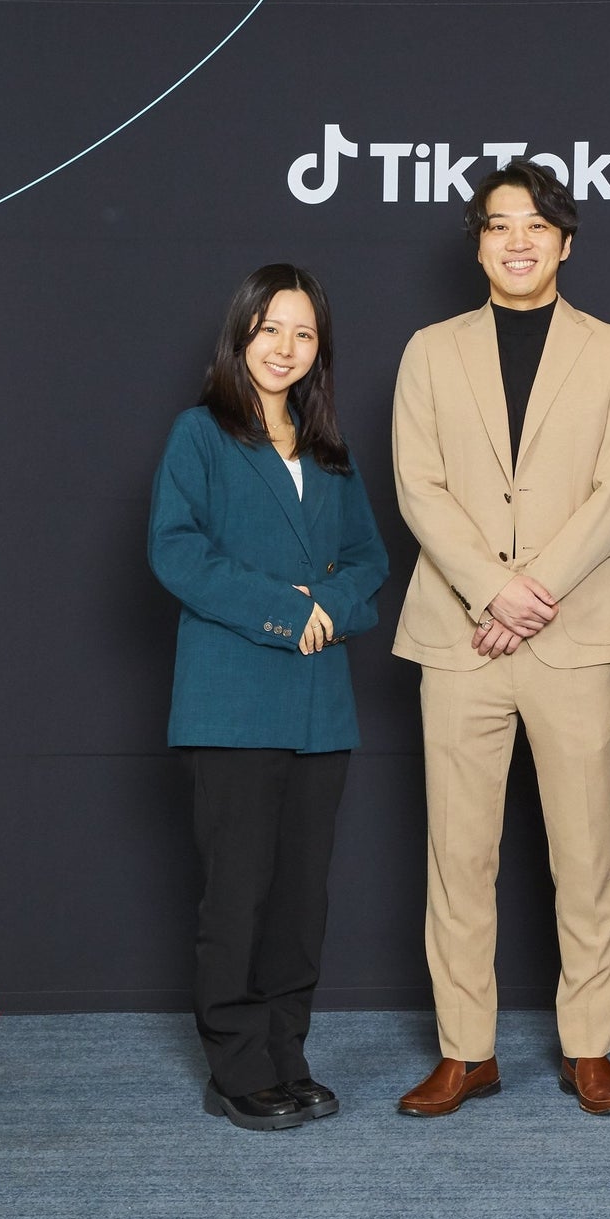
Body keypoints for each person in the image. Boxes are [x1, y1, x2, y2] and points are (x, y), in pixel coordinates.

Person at [390, 160, 610, 1118]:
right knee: (458, 857)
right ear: (479, 243)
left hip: (573, 636)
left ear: (565, 242)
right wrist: (493, 593)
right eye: (500, 225)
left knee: (586, 855)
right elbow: (419, 487)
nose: (518, 241)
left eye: (537, 225)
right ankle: (467, 1052)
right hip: (459, 639)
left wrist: (531, 593)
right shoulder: (430, 351)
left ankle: (590, 1047)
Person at [148, 263, 389, 1130]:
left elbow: (369, 559)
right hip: (233, 700)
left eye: (304, 334)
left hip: (321, 708)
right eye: (270, 329)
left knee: (299, 903)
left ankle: (287, 1054)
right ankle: (237, 1067)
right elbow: (177, 552)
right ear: (241, 334)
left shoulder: (328, 448)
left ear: (321, 349)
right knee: (238, 895)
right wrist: (288, 613)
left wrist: (333, 607)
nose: (285, 348)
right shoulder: (200, 434)